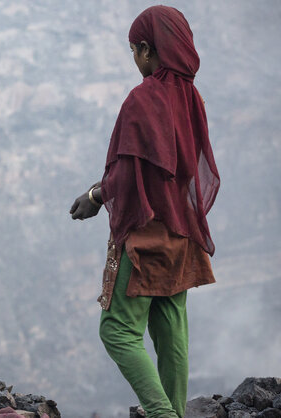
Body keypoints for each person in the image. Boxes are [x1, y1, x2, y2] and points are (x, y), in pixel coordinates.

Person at [69, 6, 219, 418]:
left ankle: (163, 414)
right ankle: (175, 412)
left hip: (145, 234)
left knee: (117, 331)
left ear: (147, 50)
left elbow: (127, 172)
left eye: (134, 51)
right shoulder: (191, 98)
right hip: (182, 231)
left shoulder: (144, 98)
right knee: (172, 332)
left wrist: (96, 197)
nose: (135, 61)